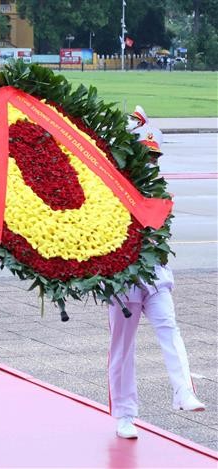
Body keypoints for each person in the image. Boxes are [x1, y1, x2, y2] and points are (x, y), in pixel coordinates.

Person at [108, 117, 205, 440]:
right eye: (143, 154)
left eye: (154, 156)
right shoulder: (112, 187)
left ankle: (183, 391)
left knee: (169, 329)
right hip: (122, 279)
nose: (150, 161)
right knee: (122, 348)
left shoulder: (160, 190)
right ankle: (124, 414)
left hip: (156, 275)